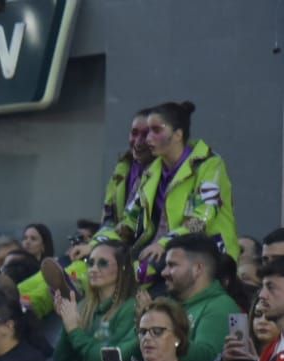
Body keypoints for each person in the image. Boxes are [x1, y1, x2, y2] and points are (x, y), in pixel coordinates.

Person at [95, 101, 237, 273]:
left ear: (178, 134)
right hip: (162, 257)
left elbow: (201, 219)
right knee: (105, 269)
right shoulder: (151, 173)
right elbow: (130, 222)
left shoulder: (209, 165)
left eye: (156, 130)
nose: (148, 139)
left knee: (130, 277)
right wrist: (96, 245)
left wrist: (163, 243)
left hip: (209, 261)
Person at [162, 233, 243, 361]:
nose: (164, 272)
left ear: (198, 268)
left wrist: (162, 335)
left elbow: (207, 360)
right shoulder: (168, 303)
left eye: (172, 265)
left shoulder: (221, 306)